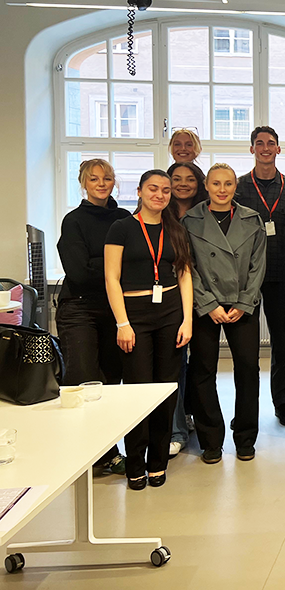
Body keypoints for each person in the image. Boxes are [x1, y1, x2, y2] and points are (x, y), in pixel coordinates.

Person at [105, 170, 193, 490]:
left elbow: (184, 274)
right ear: (140, 191)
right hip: (135, 317)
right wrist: (122, 323)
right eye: (153, 189)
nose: (160, 195)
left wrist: (187, 320)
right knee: (138, 391)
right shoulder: (122, 228)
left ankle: (157, 462)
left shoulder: (176, 229)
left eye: (166, 190)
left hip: (170, 313)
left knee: (165, 392)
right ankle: (135, 464)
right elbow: (111, 277)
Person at [183, 164, 266, 464]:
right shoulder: (189, 221)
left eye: (228, 184)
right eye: (216, 183)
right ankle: (211, 440)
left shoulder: (252, 219)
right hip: (206, 305)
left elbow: (258, 264)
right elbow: (187, 266)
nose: (222, 189)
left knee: (248, 371)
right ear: (206, 185)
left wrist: (244, 302)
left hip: (242, 304)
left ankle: (245, 437)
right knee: (203, 371)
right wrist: (208, 304)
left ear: (235, 186)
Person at [56, 158, 131, 476]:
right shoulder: (73, 221)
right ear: (83, 183)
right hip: (79, 309)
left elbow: (135, 263)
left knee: (111, 382)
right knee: (84, 379)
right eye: (94, 179)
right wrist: (114, 264)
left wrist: (99, 260)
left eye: (107, 178)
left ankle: (106, 451)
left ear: (114, 183)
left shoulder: (124, 218)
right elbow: (79, 272)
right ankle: (82, 453)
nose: (101, 184)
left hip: (115, 310)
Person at [235, 126, 285, 427]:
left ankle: (281, 404)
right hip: (246, 276)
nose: (265, 148)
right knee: (245, 351)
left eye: (271, 143)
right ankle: (244, 410)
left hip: (280, 275)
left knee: (281, 345)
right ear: (252, 149)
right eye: (259, 143)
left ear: (278, 149)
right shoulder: (238, 188)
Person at [166, 161, 208, 457]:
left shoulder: (207, 214)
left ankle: (191, 415)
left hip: (204, 296)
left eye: (190, 179)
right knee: (175, 363)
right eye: (176, 179)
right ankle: (176, 427)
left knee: (200, 365)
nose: (183, 184)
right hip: (171, 297)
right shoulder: (160, 214)